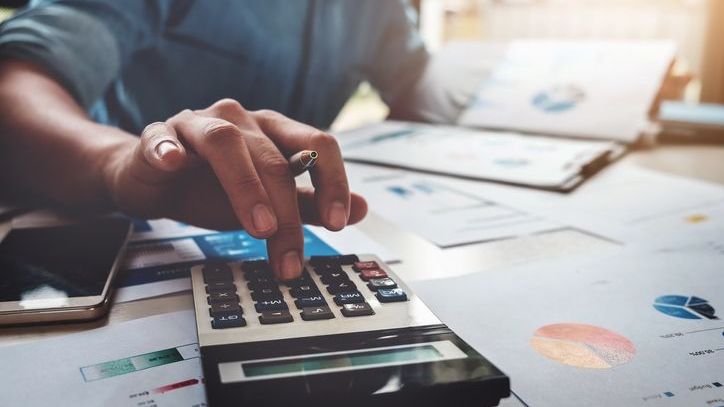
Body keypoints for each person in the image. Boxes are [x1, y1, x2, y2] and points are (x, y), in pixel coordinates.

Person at [0, 0, 439, 280]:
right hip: (100, 233)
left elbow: (418, 85)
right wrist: (115, 163)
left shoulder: (378, 9)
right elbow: (16, 80)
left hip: (274, 235)